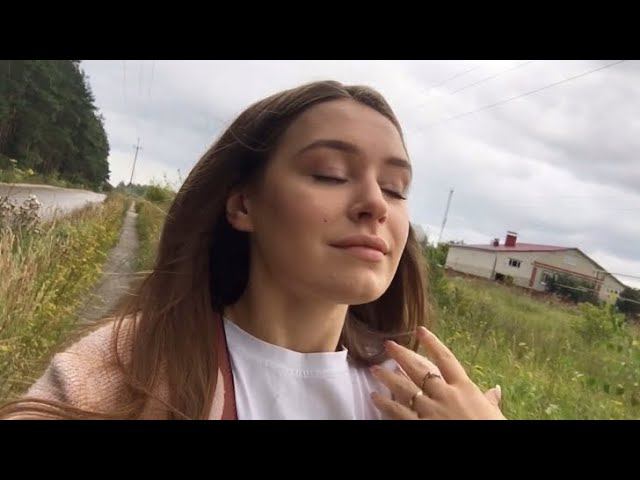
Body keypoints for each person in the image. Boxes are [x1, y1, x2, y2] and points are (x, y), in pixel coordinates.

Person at [0, 80, 505, 420]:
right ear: (243, 205)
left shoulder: (420, 397)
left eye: (396, 188)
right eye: (330, 174)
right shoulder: (130, 367)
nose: (376, 203)